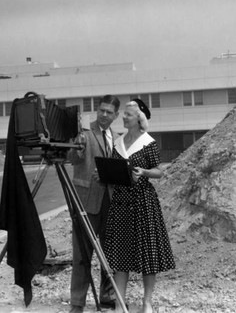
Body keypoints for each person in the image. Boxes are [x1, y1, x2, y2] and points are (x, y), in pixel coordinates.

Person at [104, 99, 175, 313]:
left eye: (128, 115)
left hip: (144, 202)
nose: (124, 117)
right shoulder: (117, 142)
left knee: (148, 254)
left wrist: (143, 172)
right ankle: (119, 303)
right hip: (121, 202)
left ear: (138, 119)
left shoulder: (148, 142)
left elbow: (160, 171)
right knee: (120, 254)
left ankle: (147, 302)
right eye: (124, 114)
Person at [67, 94, 121, 313]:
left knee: (110, 254)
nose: (104, 115)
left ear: (116, 115)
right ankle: (77, 304)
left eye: (109, 112)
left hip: (111, 202)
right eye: (102, 110)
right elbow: (73, 158)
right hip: (86, 203)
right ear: (97, 110)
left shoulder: (118, 138)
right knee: (82, 256)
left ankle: (107, 297)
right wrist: (75, 146)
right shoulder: (85, 135)